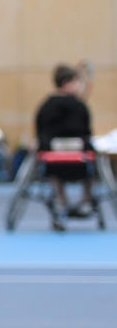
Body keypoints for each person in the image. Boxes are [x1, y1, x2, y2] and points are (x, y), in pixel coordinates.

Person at [35, 63, 96, 228]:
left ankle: (61, 200)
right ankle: (86, 200)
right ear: (67, 83)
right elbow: (87, 133)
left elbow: (40, 133)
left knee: (55, 165)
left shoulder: (45, 106)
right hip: (79, 163)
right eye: (77, 82)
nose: (78, 86)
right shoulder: (80, 107)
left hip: (53, 163)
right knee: (90, 158)